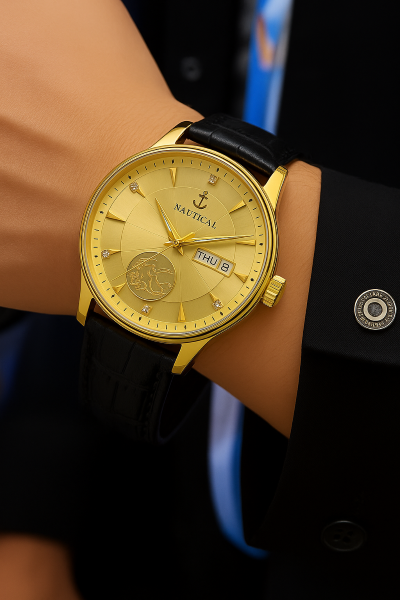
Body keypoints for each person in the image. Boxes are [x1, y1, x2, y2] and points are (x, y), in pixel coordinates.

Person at [0, 1, 399, 598]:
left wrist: (295, 272)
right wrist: (32, 513)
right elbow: (80, 194)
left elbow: (99, 173)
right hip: (147, 524)